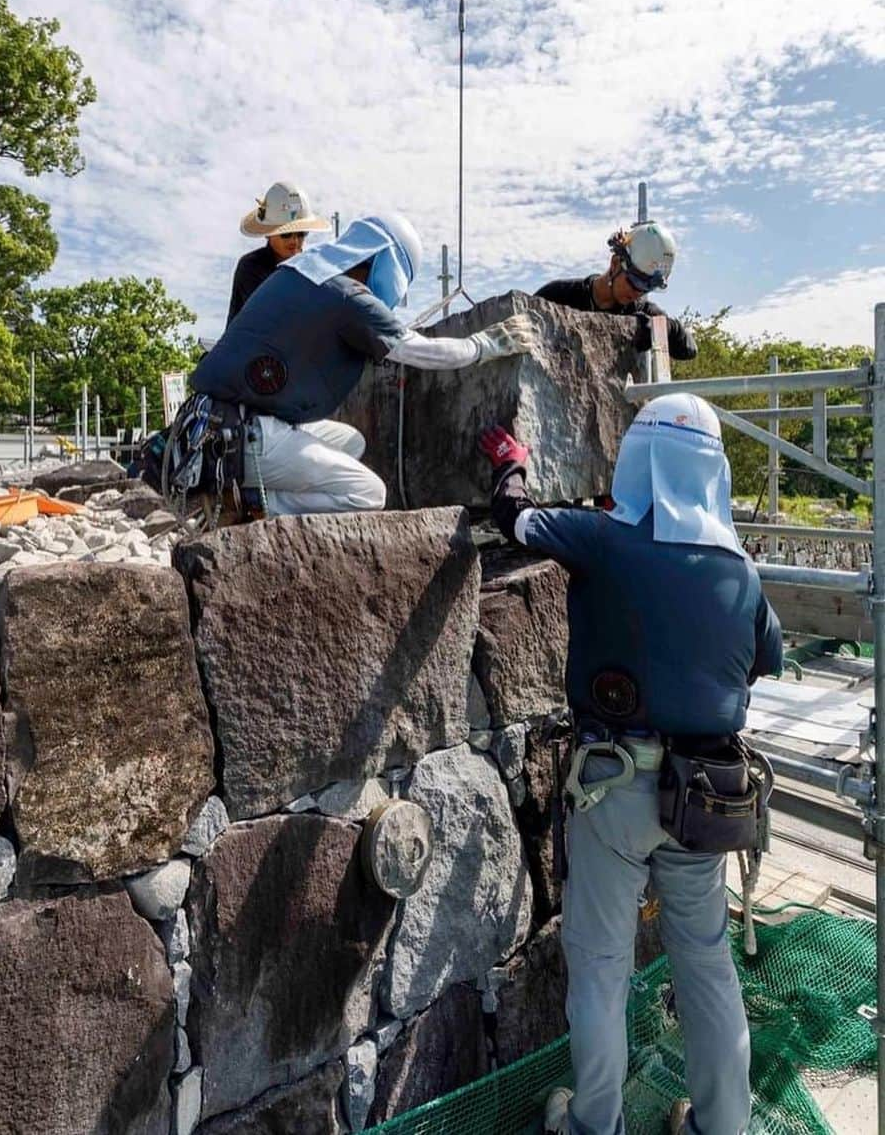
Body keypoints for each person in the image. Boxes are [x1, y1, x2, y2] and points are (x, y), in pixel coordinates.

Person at [478, 394, 783, 1135]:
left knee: (602, 964)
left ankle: (595, 1121)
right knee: (706, 963)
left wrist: (510, 466)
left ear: (638, 460)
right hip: (705, 798)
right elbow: (766, 657)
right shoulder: (739, 568)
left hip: (615, 788)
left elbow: (513, 519)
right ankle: (721, 1125)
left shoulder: (605, 539)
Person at [189, 213, 536, 517]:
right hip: (240, 439)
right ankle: (249, 504)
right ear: (386, 263)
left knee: (351, 441)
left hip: (213, 425)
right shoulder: (348, 297)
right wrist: (483, 345)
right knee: (369, 493)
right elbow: (420, 351)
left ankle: (253, 491)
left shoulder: (298, 272)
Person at [535, 220, 698, 360]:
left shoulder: (640, 311)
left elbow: (689, 349)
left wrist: (665, 328)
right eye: (634, 282)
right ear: (615, 264)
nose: (637, 293)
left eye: (647, 288)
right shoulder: (558, 296)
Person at [227, 181, 332, 323]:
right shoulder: (251, 267)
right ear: (268, 233)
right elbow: (269, 317)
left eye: (301, 233)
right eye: (286, 234)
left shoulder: (310, 268)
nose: (294, 241)